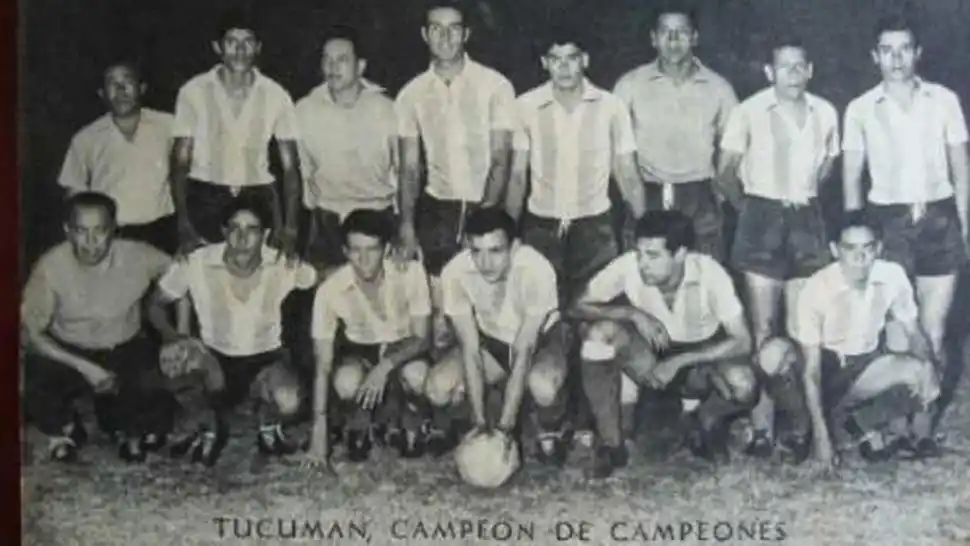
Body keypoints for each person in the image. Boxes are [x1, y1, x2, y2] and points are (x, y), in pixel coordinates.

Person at [842, 13, 968, 436]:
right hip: (887, 222)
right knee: (899, 331)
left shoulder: (944, 100)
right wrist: (855, 240)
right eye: (887, 50)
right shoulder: (860, 108)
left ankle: (922, 431)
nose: (896, 58)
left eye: (904, 49)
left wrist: (964, 228)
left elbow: (960, 170)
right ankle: (893, 422)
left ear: (917, 53)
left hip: (938, 218)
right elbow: (851, 179)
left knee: (934, 330)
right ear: (874, 56)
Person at [717, 37, 840, 456]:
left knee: (804, 328)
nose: (792, 73)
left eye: (799, 65)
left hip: (806, 219)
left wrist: (799, 200)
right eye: (782, 66)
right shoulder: (747, 111)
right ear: (769, 72)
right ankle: (762, 425)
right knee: (763, 330)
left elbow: (827, 166)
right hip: (760, 216)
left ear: (810, 70)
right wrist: (752, 211)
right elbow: (725, 173)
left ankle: (801, 425)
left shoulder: (825, 112)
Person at [572, 210, 758, 477]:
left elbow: (743, 341)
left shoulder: (709, 272)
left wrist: (680, 361)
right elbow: (578, 305)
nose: (643, 264)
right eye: (640, 254)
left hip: (697, 359)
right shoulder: (629, 266)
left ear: (680, 254)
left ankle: (705, 419)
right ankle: (612, 444)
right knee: (600, 334)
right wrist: (631, 314)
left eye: (654, 256)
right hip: (651, 355)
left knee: (743, 384)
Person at [147, 195, 316, 467]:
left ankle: (268, 421)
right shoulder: (197, 261)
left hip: (265, 357)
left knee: (290, 401)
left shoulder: (282, 263)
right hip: (215, 358)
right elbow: (155, 304)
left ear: (266, 234)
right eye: (234, 228)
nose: (242, 237)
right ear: (223, 231)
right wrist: (172, 336)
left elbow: (320, 279)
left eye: (252, 229)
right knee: (173, 359)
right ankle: (207, 422)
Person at [394, 0, 516, 351]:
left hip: (485, 204)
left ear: (466, 34)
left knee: (485, 298)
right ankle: (440, 391)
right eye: (436, 28)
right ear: (424, 34)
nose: (445, 36)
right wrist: (406, 224)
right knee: (439, 306)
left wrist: (484, 216)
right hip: (437, 209)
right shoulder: (411, 94)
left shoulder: (495, 86)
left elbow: (500, 159)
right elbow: (410, 167)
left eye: (453, 28)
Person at [21, 192, 175, 463]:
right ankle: (63, 427)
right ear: (67, 231)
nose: (91, 243)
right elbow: (29, 333)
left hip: (124, 347)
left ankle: (121, 424)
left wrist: (176, 332)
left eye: (100, 231)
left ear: (114, 229)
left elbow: (181, 273)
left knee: (155, 402)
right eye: (81, 231)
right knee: (30, 377)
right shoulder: (50, 266)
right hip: (70, 350)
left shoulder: (138, 255)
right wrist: (86, 368)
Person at [780, 211, 941, 466]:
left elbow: (914, 332)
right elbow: (811, 370)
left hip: (864, 363)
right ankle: (811, 429)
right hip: (826, 364)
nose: (860, 257)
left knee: (922, 374)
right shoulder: (817, 288)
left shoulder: (892, 275)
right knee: (776, 359)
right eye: (850, 248)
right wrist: (823, 441)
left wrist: (930, 366)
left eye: (868, 247)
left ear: (878, 248)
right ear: (835, 250)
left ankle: (856, 423)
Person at [508, 24, 645, 309]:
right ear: (544, 63)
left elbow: (627, 173)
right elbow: (518, 176)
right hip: (541, 228)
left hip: (595, 228)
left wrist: (644, 229)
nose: (564, 67)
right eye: (556, 59)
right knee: (544, 312)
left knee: (596, 313)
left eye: (571, 57)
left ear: (585, 60)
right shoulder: (525, 106)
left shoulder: (611, 106)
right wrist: (508, 231)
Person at [423, 208, 570, 466]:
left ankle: (554, 422)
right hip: (492, 341)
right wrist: (478, 422)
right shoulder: (455, 273)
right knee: (437, 387)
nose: (485, 263)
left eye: (495, 251)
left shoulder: (536, 269)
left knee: (543, 386)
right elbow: (470, 350)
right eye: (476, 251)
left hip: (541, 340)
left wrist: (505, 429)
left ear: (514, 247)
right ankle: (470, 422)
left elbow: (524, 350)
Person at [303, 210, 433, 469]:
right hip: (360, 349)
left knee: (418, 377)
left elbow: (422, 338)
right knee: (345, 381)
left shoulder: (411, 272)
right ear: (344, 251)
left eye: (372, 249)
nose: (363, 260)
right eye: (355, 250)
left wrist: (385, 367)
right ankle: (359, 417)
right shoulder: (330, 289)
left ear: (386, 249)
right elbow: (323, 364)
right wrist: (319, 430)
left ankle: (411, 413)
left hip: (404, 346)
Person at [171, 8, 302, 258]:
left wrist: (290, 229)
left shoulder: (277, 95)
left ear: (258, 47)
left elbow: (290, 168)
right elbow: (180, 162)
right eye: (231, 42)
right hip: (206, 197)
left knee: (259, 282)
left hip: (259, 198)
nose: (240, 51)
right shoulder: (193, 91)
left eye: (248, 42)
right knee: (205, 280)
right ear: (217, 47)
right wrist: (183, 223)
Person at [613, 3, 738, 261]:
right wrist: (639, 209)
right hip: (647, 194)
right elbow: (618, 156)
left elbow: (734, 149)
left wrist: (716, 194)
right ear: (653, 38)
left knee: (705, 282)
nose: (673, 40)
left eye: (681, 32)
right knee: (645, 285)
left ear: (694, 37)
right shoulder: (629, 85)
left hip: (700, 197)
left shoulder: (719, 88)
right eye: (665, 32)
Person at [295, 25, 399, 276]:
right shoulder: (304, 109)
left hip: (376, 217)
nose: (333, 67)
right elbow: (304, 171)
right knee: (327, 299)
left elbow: (403, 170)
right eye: (327, 59)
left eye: (342, 60)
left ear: (360, 66)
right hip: (327, 221)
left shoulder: (387, 110)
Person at [58, 61, 178, 254]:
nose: (120, 89)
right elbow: (74, 196)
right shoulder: (85, 138)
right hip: (112, 236)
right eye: (112, 83)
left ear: (142, 88)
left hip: (162, 232)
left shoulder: (169, 125)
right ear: (102, 94)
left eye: (127, 81)